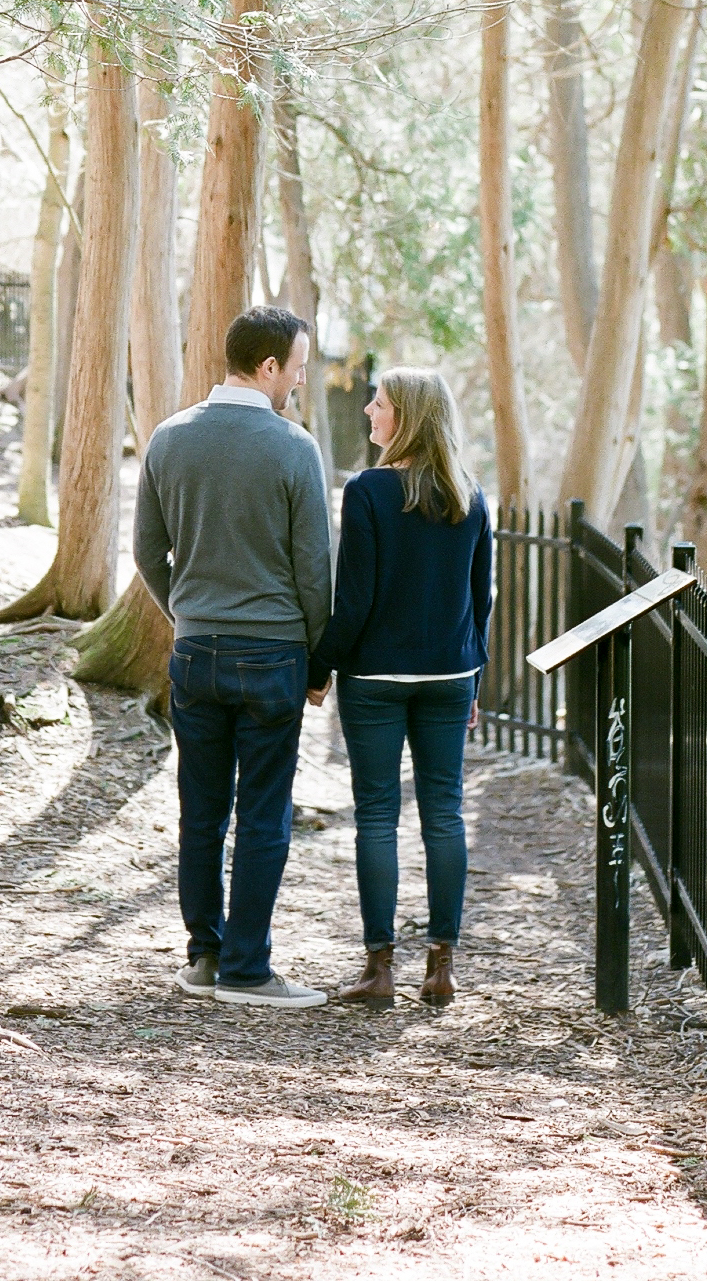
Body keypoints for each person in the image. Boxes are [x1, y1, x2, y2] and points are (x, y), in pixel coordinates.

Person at [133, 303, 333, 1007]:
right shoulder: (293, 448)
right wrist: (318, 662)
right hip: (273, 656)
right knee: (263, 813)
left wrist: (188, 615)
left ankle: (205, 958)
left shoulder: (168, 437)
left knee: (201, 810)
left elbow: (144, 553)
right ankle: (249, 970)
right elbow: (314, 570)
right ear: (269, 365)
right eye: (298, 370)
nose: (299, 384)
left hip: (196, 655)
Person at [309, 367, 492, 1010]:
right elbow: (480, 599)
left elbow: (353, 600)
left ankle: (380, 969)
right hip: (449, 675)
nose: (367, 411)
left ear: (407, 416)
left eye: (379, 404)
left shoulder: (368, 492)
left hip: (377, 680)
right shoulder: (470, 496)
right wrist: (476, 677)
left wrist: (320, 666)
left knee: (379, 817)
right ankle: (441, 967)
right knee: (444, 814)